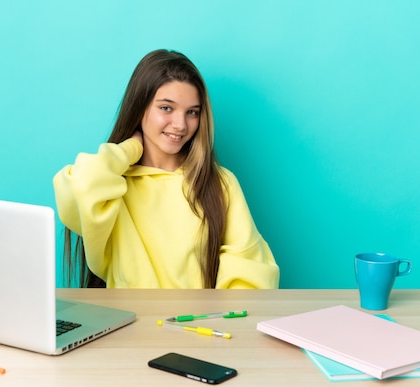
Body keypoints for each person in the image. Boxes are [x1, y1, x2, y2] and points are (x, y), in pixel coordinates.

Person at [53, 49, 279, 289]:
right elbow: (81, 186)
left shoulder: (220, 183)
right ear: (139, 107)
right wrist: (130, 148)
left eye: (192, 112)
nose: (181, 125)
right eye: (166, 108)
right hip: (131, 324)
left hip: (194, 325)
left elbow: (251, 272)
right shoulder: (113, 185)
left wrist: (221, 319)